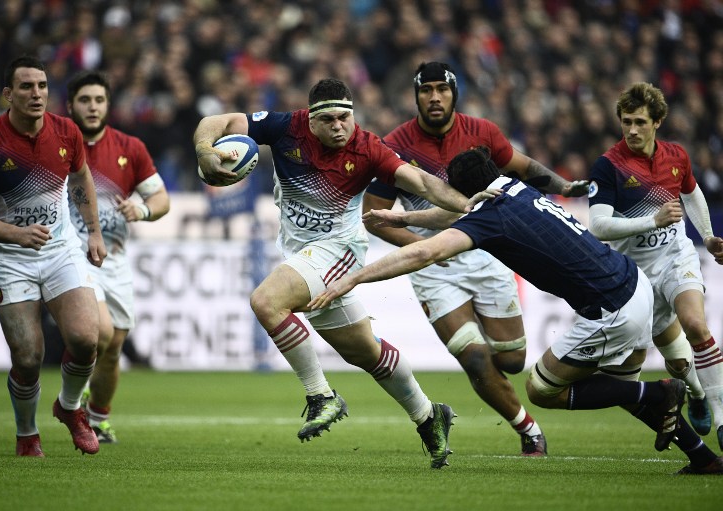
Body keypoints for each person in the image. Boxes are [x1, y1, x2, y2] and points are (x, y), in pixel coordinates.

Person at [310, 147, 723, 475]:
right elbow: (457, 211)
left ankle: (658, 390)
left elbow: (423, 252)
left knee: (543, 389)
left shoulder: (489, 217)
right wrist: (404, 216)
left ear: (469, 192)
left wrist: (353, 278)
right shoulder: (515, 189)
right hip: (635, 285)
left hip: (612, 308)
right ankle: (701, 456)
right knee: (616, 390)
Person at [193, 78, 486, 468]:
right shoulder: (284, 127)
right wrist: (204, 152)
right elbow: (217, 121)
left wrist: (472, 206)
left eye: (344, 118)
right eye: (328, 119)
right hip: (302, 252)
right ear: (310, 120)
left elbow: (422, 182)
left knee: (266, 301)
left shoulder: (368, 149)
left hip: (340, 250)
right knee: (365, 352)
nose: (338, 127)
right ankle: (429, 415)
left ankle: (321, 396)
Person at [363, 62, 589, 456]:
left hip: (487, 253)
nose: (435, 97)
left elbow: (525, 167)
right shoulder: (394, 145)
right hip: (436, 268)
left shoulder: (482, 133)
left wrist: (564, 186)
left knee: (514, 359)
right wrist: (422, 248)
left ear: (454, 93)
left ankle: (496, 384)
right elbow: (375, 216)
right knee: (474, 357)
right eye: (426, 90)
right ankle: (529, 430)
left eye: (442, 89)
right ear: (415, 96)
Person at [0, 56, 106, 457]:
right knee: (28, 357)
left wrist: (93, 232)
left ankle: (70, 408)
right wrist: (16, 234)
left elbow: (80, 178)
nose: (36, 94)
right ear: (8, 95)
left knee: (85, 338)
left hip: (60, 250)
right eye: (26, 87)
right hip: (10, 258)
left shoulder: (66, 131)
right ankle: (27, 434)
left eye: (41, 86)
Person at [587, 82, 723, 448]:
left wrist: (708, 236)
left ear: (657, 122)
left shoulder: (676, 156)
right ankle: (695, 392)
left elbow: (691, 192)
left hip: (677, 256)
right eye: (626, 121)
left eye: (640, 122)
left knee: (696, 323)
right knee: (677, 364)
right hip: (636, 275)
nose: (632, 130)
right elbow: (598, 226)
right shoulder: (608, 166)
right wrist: (652, 220)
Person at [66, 70, 170, 443]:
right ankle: (70, 406)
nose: (92, 107)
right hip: (71, 255)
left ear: (108, 105)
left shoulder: (130, 147)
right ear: (70, 106)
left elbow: (161, 199)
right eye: (84, 100)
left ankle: (97, 418)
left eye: (99, 100)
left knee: (113, 348)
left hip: (115, 256)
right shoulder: (57, 144)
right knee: (101, 333)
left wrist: (141, 211)